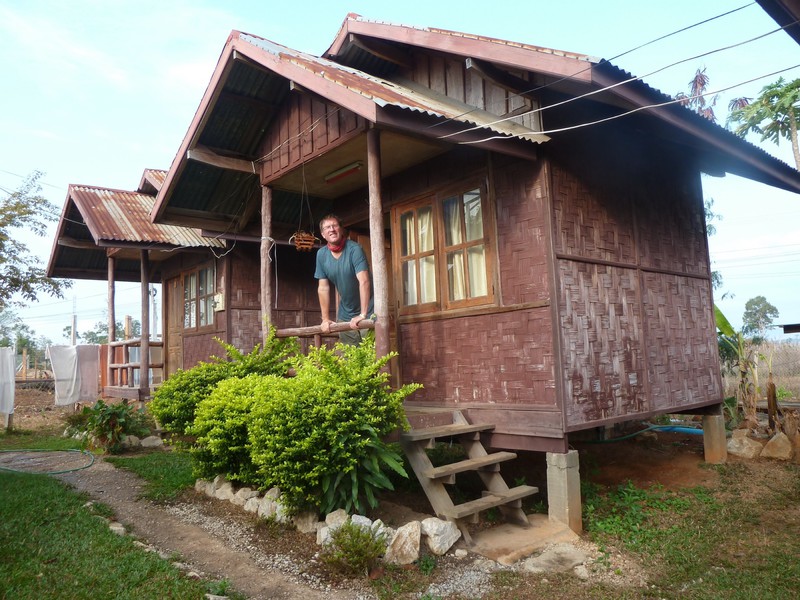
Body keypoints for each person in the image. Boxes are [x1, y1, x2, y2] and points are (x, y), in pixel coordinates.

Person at [314, 214, 374, 345]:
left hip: (369, 309)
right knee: (350, 358)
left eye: (335, 226)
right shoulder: (321, 255)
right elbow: (323, 288)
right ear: (323, 234)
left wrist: (363, 315)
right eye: (327, 227)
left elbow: (364, 281)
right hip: (345, 312)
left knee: (371, 356)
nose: (332, 229)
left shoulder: (355, 249)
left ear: (341, 229)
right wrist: (325, 319)